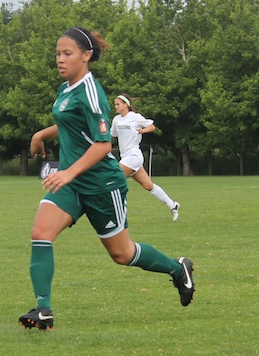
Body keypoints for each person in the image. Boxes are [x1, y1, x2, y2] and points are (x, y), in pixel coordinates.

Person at [18, 27, 195, 331]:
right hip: (73, 184)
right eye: (58, 54)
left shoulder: (91, 92)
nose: (60, 59)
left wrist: (68, 171)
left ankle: (178, 269)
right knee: (40, 232)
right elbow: (68, 123)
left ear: (86, 56)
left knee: (122, 254)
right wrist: (40, 134)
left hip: (102, 184)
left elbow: (102, 145)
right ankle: (43, 310)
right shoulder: (67, 88)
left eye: (67, 54)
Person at [111, 94, 180, 221]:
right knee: (148, 185)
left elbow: (152, 126)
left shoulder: (135, 117)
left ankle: (118, 212)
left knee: (114, 179)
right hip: (125, 157)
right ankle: (173, 205)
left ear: (126, 105)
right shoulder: (116, 119)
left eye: (118, 104)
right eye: (115, 104)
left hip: (134, 155)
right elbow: (112, 135)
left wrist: (143, 131)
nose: (115, 106)